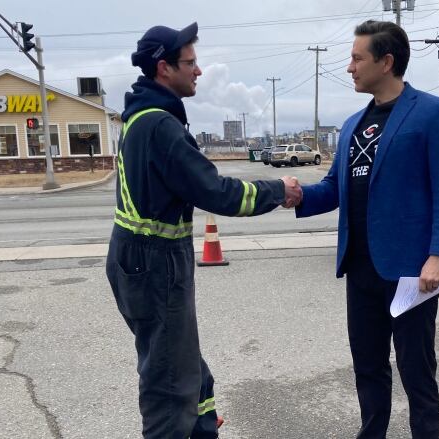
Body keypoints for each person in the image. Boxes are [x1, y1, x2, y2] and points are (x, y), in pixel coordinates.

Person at [105, 23, 301, 439]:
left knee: (188, 371)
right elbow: (218, 191)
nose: (198, 71)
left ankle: (202, 429)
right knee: (170, 388)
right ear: (163, 68)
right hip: (156, 266)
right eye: (190, 63)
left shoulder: (141, 116)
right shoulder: (161, 126)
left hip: (138, 261)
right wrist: (278, 190)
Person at [294, 20, 439, 438]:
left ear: (386, 62)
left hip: (411, 272)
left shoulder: (432, 113)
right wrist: (296, 195)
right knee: (367, 366)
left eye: (357, 57)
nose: (349, 66)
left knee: (416, 368)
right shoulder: (353, 123)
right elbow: (335, 187)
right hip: (361, 267)